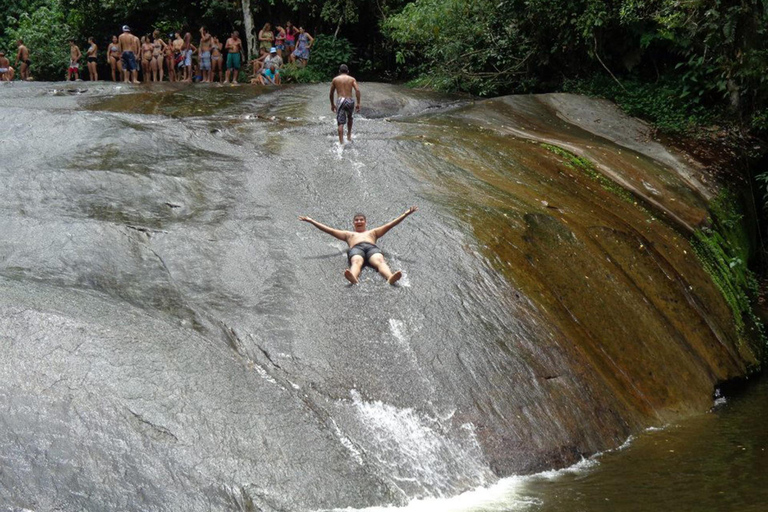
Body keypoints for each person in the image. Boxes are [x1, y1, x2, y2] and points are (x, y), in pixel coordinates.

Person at [298, 207, 418, 285]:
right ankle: (353, 278)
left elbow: (390, 225)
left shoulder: (373, 232)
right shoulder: (348, 234)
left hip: (371, 248)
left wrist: (405, 214)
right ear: (353, 223)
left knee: (380, 260)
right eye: (356, 220)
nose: (359, 221)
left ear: (365, 222)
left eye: (361, 220)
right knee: (356, 261)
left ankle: (390, 277)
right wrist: (311, 221)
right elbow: (329, 230)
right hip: (356, 249)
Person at [329, 64, 361, 145]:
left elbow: (331, 93)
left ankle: (341, 142)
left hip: (341, 100)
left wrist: (332, 104)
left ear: (339, 71)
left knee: (340, 122)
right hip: (350, 100)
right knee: (350, 118)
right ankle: (349, 136)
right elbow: (357, 90)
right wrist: (358, 103)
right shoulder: (352, 79)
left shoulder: (335, 79)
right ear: (348, 71)